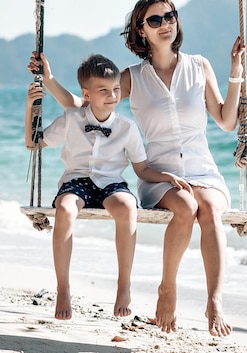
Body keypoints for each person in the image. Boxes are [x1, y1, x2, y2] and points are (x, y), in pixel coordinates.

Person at [28, 0, 247, 337]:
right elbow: (84, 106)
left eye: (170, 16)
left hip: (204, 171)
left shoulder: (199, 66)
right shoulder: (133, 77)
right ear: (140, 30)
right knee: (187, 207)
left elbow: (225, 119)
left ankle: (215, 300)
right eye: (155, 20)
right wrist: (49, 79)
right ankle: (167, 290)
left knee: (209, 208)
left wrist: (235, 74)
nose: (165, 24)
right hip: (160, 176)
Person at [25, 53, 192, 321]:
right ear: (86, 94)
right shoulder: (71, 118)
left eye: (116, 89)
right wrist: (30, 106)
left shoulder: (127, 127)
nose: (113, 96)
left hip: (111, 184)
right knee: (65, 209)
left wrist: (166, 177)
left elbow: (141, 169)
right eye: (103, 90)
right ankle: (63, 288)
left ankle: (123, 286)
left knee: (127, 207)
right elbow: (34, 143)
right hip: (76, 181)